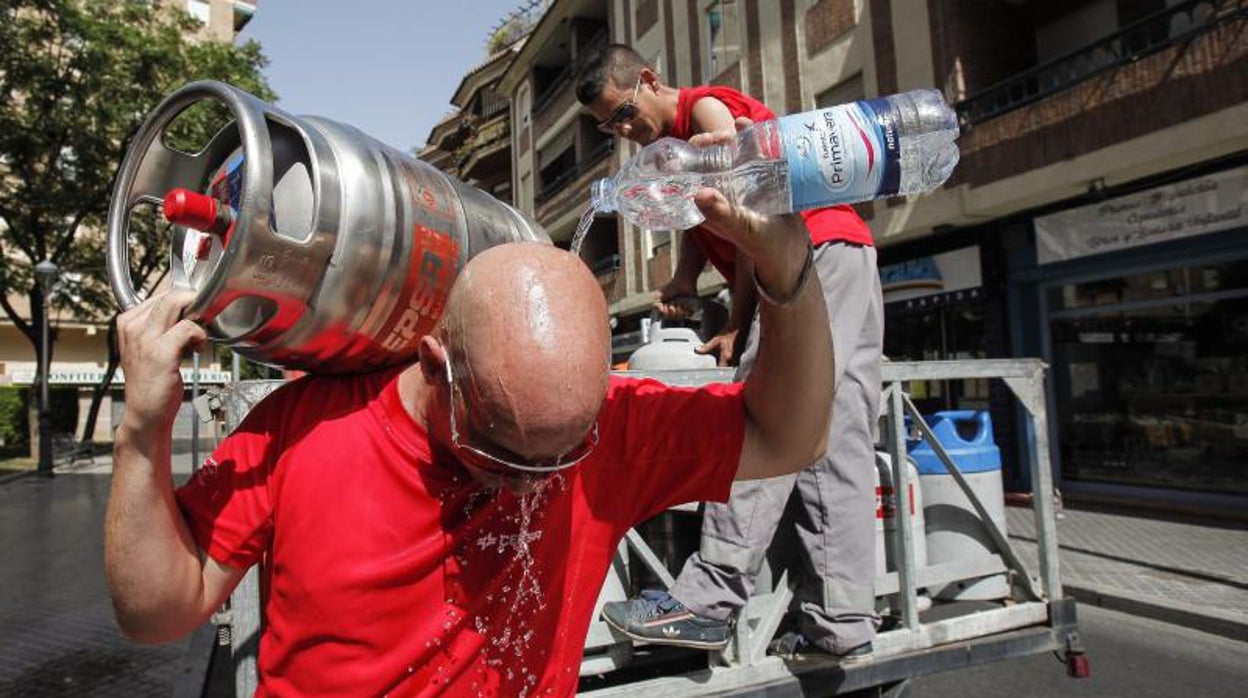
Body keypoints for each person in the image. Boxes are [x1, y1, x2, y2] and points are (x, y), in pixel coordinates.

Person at [103, 168, 835, 696]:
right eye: (503, 451)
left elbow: (790, 436)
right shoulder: (302, 430)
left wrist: (785, 267)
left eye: (558, 461)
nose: (530, 485)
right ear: (437, 362)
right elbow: (155, 614)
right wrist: (143, 432)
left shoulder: (606, 431)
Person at [576, 44, 884, 659]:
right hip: (846, 250)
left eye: (626, 114)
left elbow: (749, 225)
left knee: (764, 415)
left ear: (650, 79)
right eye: (609, 127)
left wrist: (739, 325)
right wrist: (687, 279)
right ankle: (842, 623)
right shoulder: (675, 152)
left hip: (808, 255)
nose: (624, 132)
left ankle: (705, 603)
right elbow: (703, 222)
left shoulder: (708, 111)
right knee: (836, 437)